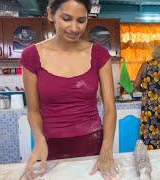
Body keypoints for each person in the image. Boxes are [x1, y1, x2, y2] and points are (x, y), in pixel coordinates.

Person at [20, 0, 117, 179]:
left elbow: (110, 108)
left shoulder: (99, 55)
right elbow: (33, 110)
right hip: (49, 146)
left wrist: (107, 148)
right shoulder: (31, 56)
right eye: (66, 19)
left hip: (92, 144)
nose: (74, 28)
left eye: (81, 20)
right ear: (50, 14)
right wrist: (39, 139)